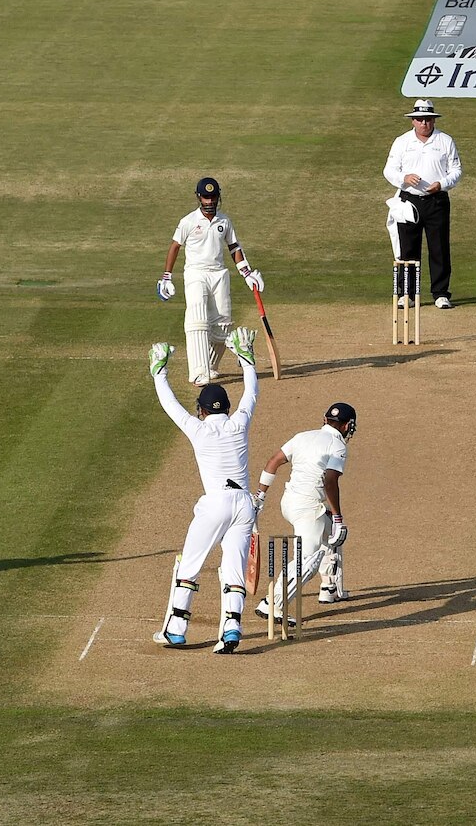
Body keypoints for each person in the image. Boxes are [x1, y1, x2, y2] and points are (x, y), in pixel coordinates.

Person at [149, 328, 260, 654]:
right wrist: (245, 359)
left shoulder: (197, 429)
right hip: (244, 504)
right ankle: (231, 629)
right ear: (225, 407)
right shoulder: (240, 422)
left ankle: (176, 630)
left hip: (215, 504)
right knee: (233, 568)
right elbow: (251, 393)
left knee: (190, 565)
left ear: (202, 410)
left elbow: (170, 404)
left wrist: (160, 370)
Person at [156, 177, 266, 386]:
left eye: (213, 197)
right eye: (206, 197)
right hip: (196, 273)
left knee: (223, 323)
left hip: (219, 274)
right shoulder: (188, 221)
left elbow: (234, 247)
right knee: (197, 318)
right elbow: (175, 246)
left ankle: (211, 366)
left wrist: (246, 272)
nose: (209, 201)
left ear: (218, 197)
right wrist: (166, 277)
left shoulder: (224, 222)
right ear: (199, 197)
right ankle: (198, 372)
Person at [252, 403, 356, 622]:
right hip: (308, 509)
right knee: (307, 560)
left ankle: (330, 588)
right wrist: (338, 516)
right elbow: (330, 481)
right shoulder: (338, 447)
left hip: (289, 503)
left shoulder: (302, 436)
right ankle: (273, 603)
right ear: (347, 426)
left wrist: (260, 496)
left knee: (332, 535)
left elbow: (274, 462)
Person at [384, 99, 462, 309]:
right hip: (408, 201)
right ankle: (407, 295)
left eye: (428, 119)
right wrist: (404, 179)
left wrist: (442, 184)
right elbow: (389, 170)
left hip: (436, 200)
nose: (424, 123)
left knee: (439, 247)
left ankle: (441, 293)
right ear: (413, 121)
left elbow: (456, 170)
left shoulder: (445, 141)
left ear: (433, 120)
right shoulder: (402, 142)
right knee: (407, 248)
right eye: (419, 119)